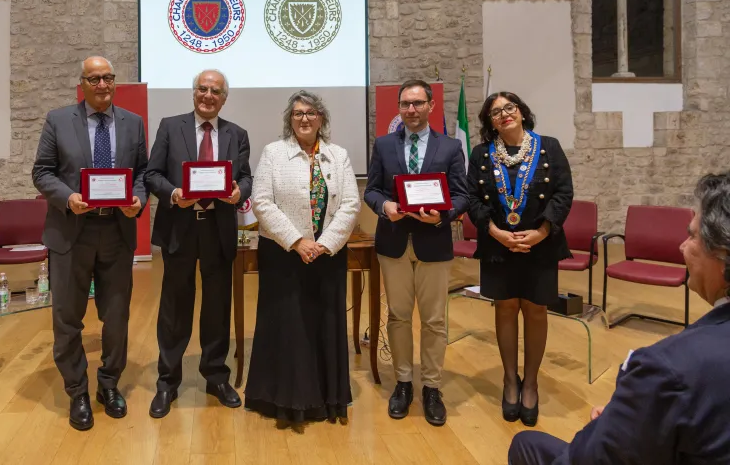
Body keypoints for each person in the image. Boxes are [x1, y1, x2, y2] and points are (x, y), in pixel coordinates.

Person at [509, 171, 730, 465]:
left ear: (722, 254)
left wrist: (615, 423)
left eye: (692, 236)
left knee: (524, 445)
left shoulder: (667, 369)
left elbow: (586, 458)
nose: (682, 246)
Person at [32, 56, 148, 431]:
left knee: (116, 316)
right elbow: (42, 172)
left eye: (108, 78)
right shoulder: (58, 120)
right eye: (94, 79)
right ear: (82, 83)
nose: (102, 85)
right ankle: (77, 390)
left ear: (115, 82)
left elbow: (142, 173)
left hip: (116, 232)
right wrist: (68, 198)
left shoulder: (133, 123)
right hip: (72, 231)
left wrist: (138, 199)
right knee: (67, 317)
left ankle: (109, 385)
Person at [245, 90, 361, 429]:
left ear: (321, 118)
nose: (304, 118)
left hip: (327, 255)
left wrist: (323, 244)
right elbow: (261, 202)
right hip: (283, 254)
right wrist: (297, 241)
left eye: (311, 113)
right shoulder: (273, 153)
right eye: (298, 113)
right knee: (289, 326)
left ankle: (326, 397)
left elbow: (350, 204)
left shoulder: (338, 155)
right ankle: (285, 400)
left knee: (324, 323)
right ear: (290, 120)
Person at [145, 69, 252, 418]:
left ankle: (216, 377)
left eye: (215, 91)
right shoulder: (169, 126)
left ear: (224, 98)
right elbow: (152, 174)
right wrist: (174, 194)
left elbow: (246, 177)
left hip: (218, 229)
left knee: (218, 306)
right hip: (180, 226)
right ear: (194, 93)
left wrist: (238, 192)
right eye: (202, 89)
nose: (208, 96)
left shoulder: (237, 134)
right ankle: (167, 382)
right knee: (175, 307)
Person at [363, 79, 469, 426]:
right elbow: (372, 190)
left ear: (431, 106)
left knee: (434, 320)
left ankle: (432, 387)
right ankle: (404, 382)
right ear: (398, 108)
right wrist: (385, 207)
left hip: (433, 243)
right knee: (398, 316)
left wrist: (444, 214)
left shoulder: (450, 147)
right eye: (406, 104)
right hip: (393, 242)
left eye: (418, 103)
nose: (411, 109)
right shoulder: (383, 145)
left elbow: (462, 195)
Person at [466, 92, 573, 426]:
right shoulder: (482, 154)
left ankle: (531, 383)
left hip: (540, 244)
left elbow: (563, 193)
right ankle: (510, 380)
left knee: (536, 310)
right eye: (495, 112)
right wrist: (495, 232)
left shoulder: (549, 147)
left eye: (509, 108)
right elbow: (472, 199)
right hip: (499, 244)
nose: (504, 114)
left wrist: (542, 231)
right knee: (506, 308)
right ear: (490, 122)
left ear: (522, 112)